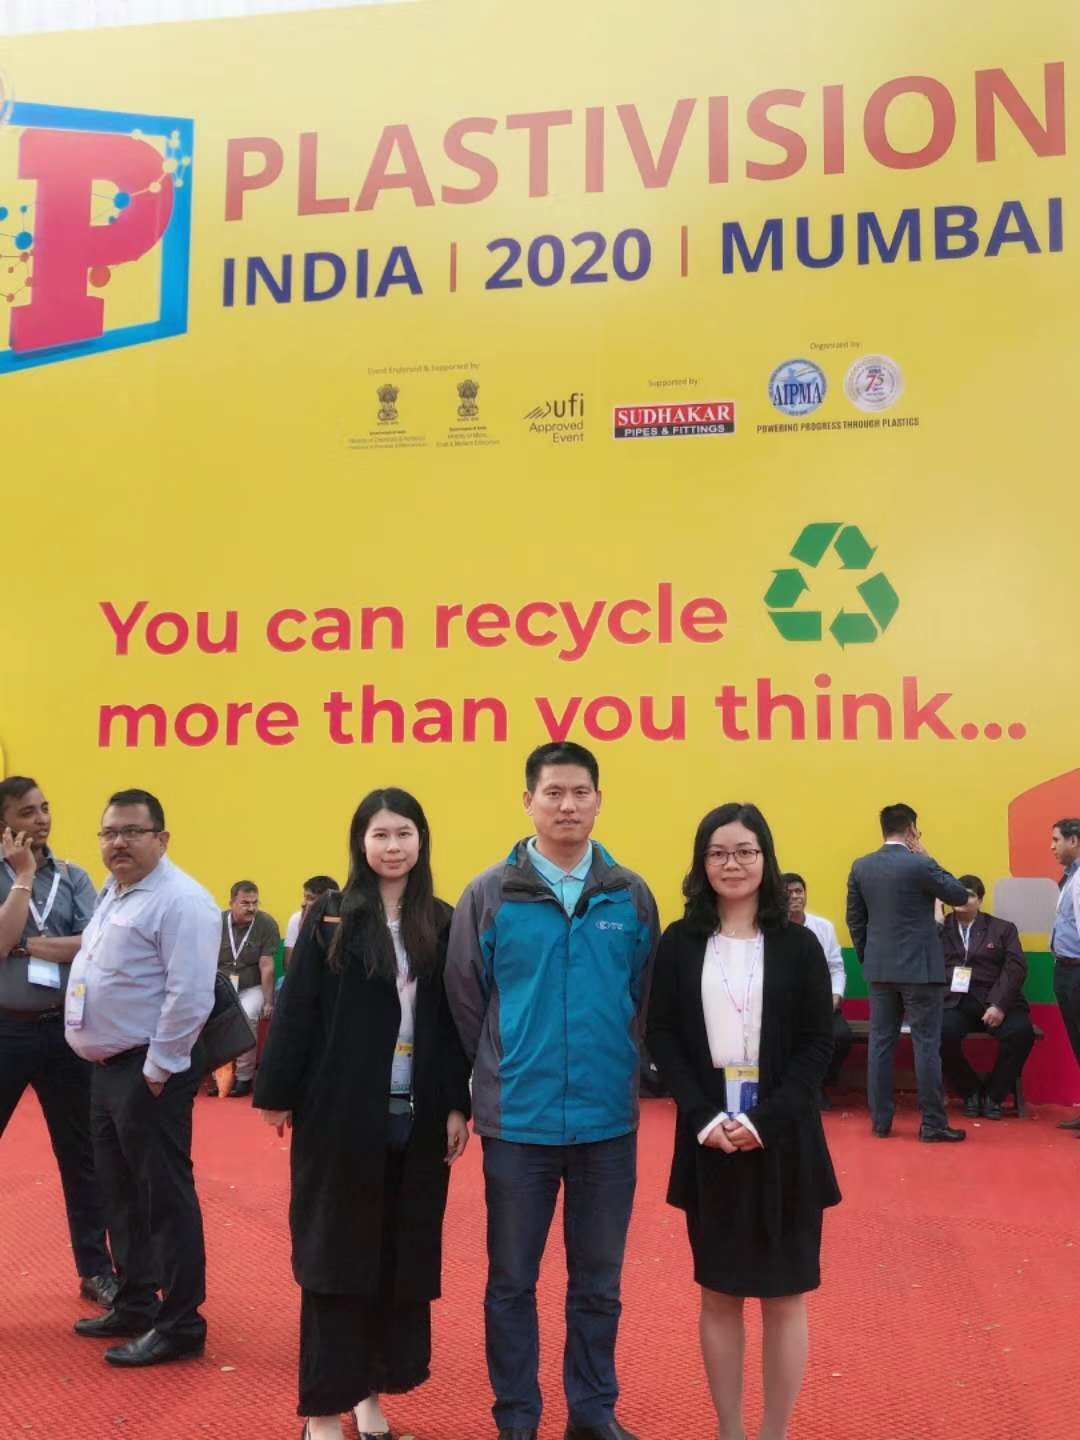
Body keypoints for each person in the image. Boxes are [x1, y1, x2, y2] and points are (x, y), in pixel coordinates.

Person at [446, 740, 659, 1440]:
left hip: (606, 1123)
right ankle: (517, 1419)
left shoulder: (629, 894)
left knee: (599, 1284)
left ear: (599, 800)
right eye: (553, 793)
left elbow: (642, 998)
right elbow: (466, 1001)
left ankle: (593, 1414)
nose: (568, 805)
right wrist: (498, 1072)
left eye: (580, 793)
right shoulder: (490, 894)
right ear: (528, 801)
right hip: (519, 1122)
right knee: (511, 1282)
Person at [254, 789, 470, 1440]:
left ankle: (372, 1399)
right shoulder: (331, 917)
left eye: (404, 833)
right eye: (380, 835)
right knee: (335, 1263)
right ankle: (324, 1411)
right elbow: (298, 1009)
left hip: (417, 1117)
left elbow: (452, 1024)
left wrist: (456, 1103)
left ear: (422, 840)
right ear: (360, 843)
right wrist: (276, 1092)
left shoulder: (442, 921)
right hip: (340, 1117)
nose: (392, 846)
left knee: (397, 1261)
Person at [646, 803, 841, 1440]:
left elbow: (817, 1042)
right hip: (710, 1139)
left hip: (784, 1139)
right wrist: (703, 1117)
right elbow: (662, 1034)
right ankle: (729, 1429)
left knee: (786, 1296)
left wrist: (765, 1121)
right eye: (719, 853)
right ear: (702, 862)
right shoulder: (680, 942)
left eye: (745, 852)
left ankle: (773, 1432)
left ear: (766, 859)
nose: (732, 864)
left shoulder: (798, 944)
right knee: (719, 1293)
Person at [65, 789, 219, 1367]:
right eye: (109, 833)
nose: (118, 843)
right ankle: (135, 1301)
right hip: (107, 1070)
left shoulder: (182, 901)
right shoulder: (115, 891)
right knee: (120, 1193)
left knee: (163, 1196)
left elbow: (189, 995)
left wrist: (158, 1068)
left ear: (162, 838)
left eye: (132, 831)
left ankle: (181, 1322)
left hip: (148, 1071)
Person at [0, 776, 116, 1309]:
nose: (42, 819)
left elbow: (97, 942)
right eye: (27, 812)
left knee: (84, 1156)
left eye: (45, 808)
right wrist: (23, 877)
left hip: (65, 1032)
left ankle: (96, 1271)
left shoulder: (73, 877)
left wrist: (38, 947)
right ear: (4, 823)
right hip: (5, 1029)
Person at [846, 804, 970, 1142]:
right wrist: (928, 855)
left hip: (879, 969)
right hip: (921, 970)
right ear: (912, 829)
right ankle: (932, 1123)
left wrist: (869, 957)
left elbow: (855, 919)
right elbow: (959, 895)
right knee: (925, 1044)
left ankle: (881, 1122)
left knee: (880, 1043)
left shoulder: (861, 867)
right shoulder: (920, 864)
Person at [939, 875, 1034, 1119]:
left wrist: (999, 1005)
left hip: (996, 1000)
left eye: (969, 894)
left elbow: (1016, 968)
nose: (963, 898)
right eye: (958, 893)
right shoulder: (940, 928)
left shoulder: (1003, 929)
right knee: (937, 1033)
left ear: (980, 900)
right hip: (956, 1002)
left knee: (1022, 1033)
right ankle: (970, 1092)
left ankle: (994, 1095)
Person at [783, 873, 852, 1109]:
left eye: (798, 891)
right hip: (784, 1006)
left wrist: (835, 996)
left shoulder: (823, 927)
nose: (795, 897)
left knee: (841, 1037)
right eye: (788, 893)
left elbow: (836, 967)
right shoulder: (771, 929)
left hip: (821, 1004)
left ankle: (818, 1084)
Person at [217, 881, 281, 1098]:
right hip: (220, 985)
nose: (251, 908)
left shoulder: (266, 924)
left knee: (248, 1014)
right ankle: (220, 1077)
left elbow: (267, 965)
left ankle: (244, 1078)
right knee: (214, 1017)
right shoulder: (215, 922)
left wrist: (269, 1001)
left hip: (251, 986)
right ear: (231, 903)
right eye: (245, 903)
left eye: (255, 903)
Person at [1049, 819, 1080, 1133]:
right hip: (1067, 969)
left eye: (1057, 840)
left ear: (1074, 840)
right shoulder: (1071, 877)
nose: (1052, 846)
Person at [283, 875, 340, 970]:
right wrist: (303, 926)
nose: (303, 903)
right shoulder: (296, 919)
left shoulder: (340, 923)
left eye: (311, 898)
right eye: (305, 897)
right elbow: (290, 965)